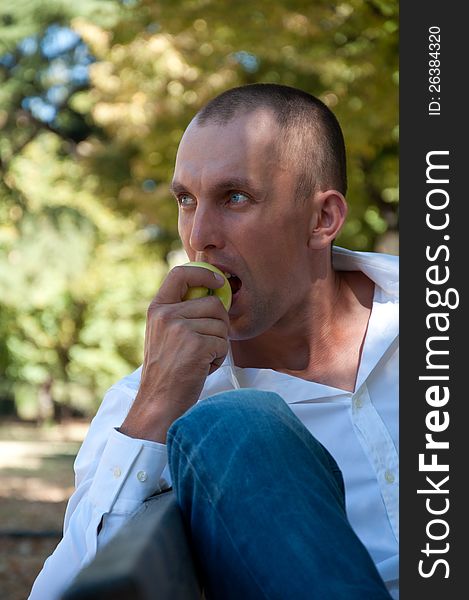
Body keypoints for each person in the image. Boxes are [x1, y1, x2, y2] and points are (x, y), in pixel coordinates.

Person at [29, 83, 398, 599]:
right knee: (234, 422)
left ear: (322, 219)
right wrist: (156, 403)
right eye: (186, 200)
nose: (199, 234)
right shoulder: (157, 405)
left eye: (235, 197)